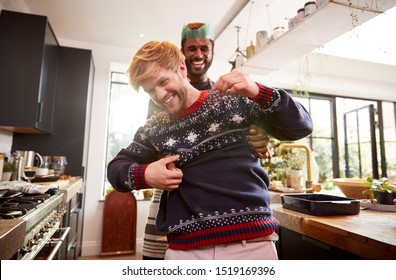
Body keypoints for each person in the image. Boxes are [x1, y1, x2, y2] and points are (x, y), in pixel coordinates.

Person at [107, 40, 313, 260]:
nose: (159, 94)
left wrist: (258, 91)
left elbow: (301, 126)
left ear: (181, 69)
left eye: (163, 81)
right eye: (150, 90)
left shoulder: (236, 100)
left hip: (251, 245)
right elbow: (116, 170)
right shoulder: (154, 127)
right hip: (185, 252)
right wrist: (146, 174)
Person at [141, 22, 270, 260]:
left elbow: (252, 129)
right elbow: (152, 146)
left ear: (212, 52)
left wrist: (257, 136)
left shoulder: (227, 92)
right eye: (191, 48)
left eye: (204, 48)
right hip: (172, 197)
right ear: (182, 55)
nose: (198, 54)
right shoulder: (161, 96)